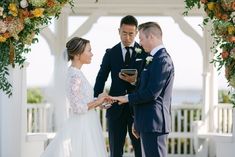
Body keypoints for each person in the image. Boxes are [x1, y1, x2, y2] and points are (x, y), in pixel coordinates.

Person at [41, 37, 111, 157]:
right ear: (78, 54)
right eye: (89, 51)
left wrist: (99, 101)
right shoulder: (74, 76)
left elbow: (82, 101)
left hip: (88, 122)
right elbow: (78, 108)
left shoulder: (76, 73)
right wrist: (98, 101)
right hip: (82, 126)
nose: (92, 54)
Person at [113, 22, 175, 157]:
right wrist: (137, 122)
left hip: (155, 123)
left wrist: (126, 98)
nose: (139, 43)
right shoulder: (153, 59)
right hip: (147, 122)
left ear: (151, 37)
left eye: (140, 38)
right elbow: (144, 88)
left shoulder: (162, 60)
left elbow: (152, 93)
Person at [94, 15, 147, 157]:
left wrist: (134, 81)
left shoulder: (144, 53)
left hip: (137, 109)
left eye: (131, 34)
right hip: (115, 109)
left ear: (136, 33)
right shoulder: (110, 53)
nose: (127, 37)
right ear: (119, 31)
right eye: (124, 33)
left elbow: (148, 81)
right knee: (115, 151)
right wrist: (97, 98)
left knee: (140, 151)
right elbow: (101, 77)